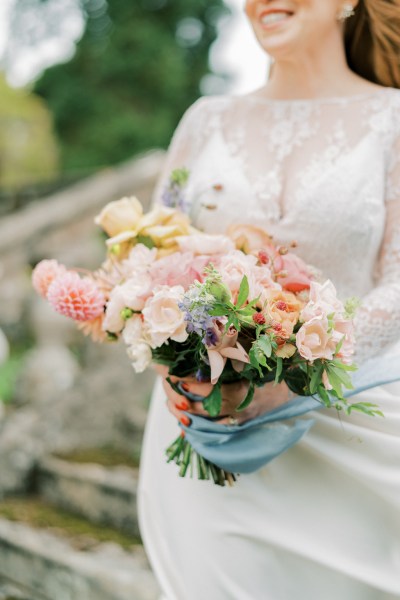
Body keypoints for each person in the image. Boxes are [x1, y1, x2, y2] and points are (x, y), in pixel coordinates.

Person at [138, 1, 400, 598]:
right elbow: (151, 248)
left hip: (353, 428)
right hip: (208, 430)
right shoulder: (204, 123)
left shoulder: (394, 120)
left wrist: (300, 371)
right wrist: (173, 356)